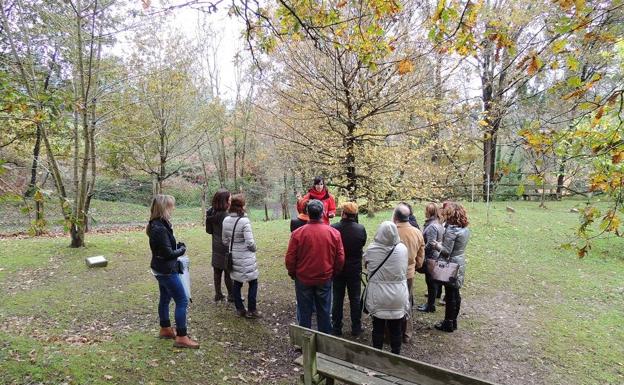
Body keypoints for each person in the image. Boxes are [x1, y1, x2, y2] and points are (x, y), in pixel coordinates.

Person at [147, 194, 199, 349]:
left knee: (165, 298)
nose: (173, 208)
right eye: (171, 206)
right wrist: (182, 250)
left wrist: (176, 247)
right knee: (181, 300)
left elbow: (164, 249)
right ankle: (182, 337)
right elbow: (167, 254)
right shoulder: (159, 228)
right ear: (164, 208)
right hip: (167, 270)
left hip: (160, 268)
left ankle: (165, 329)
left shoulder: (157, 224)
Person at [285, 199, 345, 333]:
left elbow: (290, 258)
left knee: (304, 311)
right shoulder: (334, 233)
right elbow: (340, 258)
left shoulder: (298, 234)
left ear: (307, 212)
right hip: (324, 277)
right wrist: (333, 273)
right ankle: (324, 341)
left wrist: (293, 273)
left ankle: (304, 343)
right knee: (324, 311)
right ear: (323, 212)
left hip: (304, 278)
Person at [364, 221, 409, 354]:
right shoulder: (402, 249)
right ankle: (396, 354)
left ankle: (377, 354)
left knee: (377, 326)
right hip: (398, 294)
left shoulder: (371, 249)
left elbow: (366, 264)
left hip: (378, 294)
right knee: (396, 327)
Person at [432, 202, 470, 332]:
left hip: (451, 264)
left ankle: (448, 323)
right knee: (455, 292)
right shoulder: (464, 228)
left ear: (451, 214)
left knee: (450, 294)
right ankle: (453, 321)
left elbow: (447, 251)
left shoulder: (452, 230)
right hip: (459, 261)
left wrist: (436, 245)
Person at [331, 202, 367, 336]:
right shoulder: (360, 229)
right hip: (354, 269)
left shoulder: (334, 228)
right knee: (355, 298)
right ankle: (356, 327)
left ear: (344, 213)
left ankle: (336, 328)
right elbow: (362, 244)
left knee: (337, 298)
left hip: (338, 269)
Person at [222, 194, 261, 319]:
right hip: (246, 257)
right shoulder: (244, 221)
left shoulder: (226, 220)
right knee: (253, 282)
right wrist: (254, 248)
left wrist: (233, 245)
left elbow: (224, 240)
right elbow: (250, 243)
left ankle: (239, 309)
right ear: (242, 206)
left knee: (237, 283)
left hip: (233, 256)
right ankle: (252, 309)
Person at [393, 203, 424, 344]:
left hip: (392, 272)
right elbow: (420, 256)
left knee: (392, 302)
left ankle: (392, 332)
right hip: (408, 273)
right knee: (406, 302)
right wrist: (415, 266)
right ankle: (406, 333)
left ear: (396, 217)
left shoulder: (391, 230)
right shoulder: (417, 232)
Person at [206, 189, 233, 302]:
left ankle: (218, 294)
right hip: (226, 246)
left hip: (216, 245)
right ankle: (231, 295)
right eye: (229, 199)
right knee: (228, 272)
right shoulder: (227, 216)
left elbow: (209, 231)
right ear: (225, 201)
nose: (231, 200)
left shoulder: (210, 213)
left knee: (217, 271)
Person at [417, 203, 445, 313]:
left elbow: (431, 244)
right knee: (432, 281)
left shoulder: (432, 226)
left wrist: (421, 251)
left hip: (431, 258)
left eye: (426, 210)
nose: (424, 212)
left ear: (429, 212)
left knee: (430, 282)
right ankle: (430, 304)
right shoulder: (437, 223)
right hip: (435, 257)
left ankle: (430, 306)